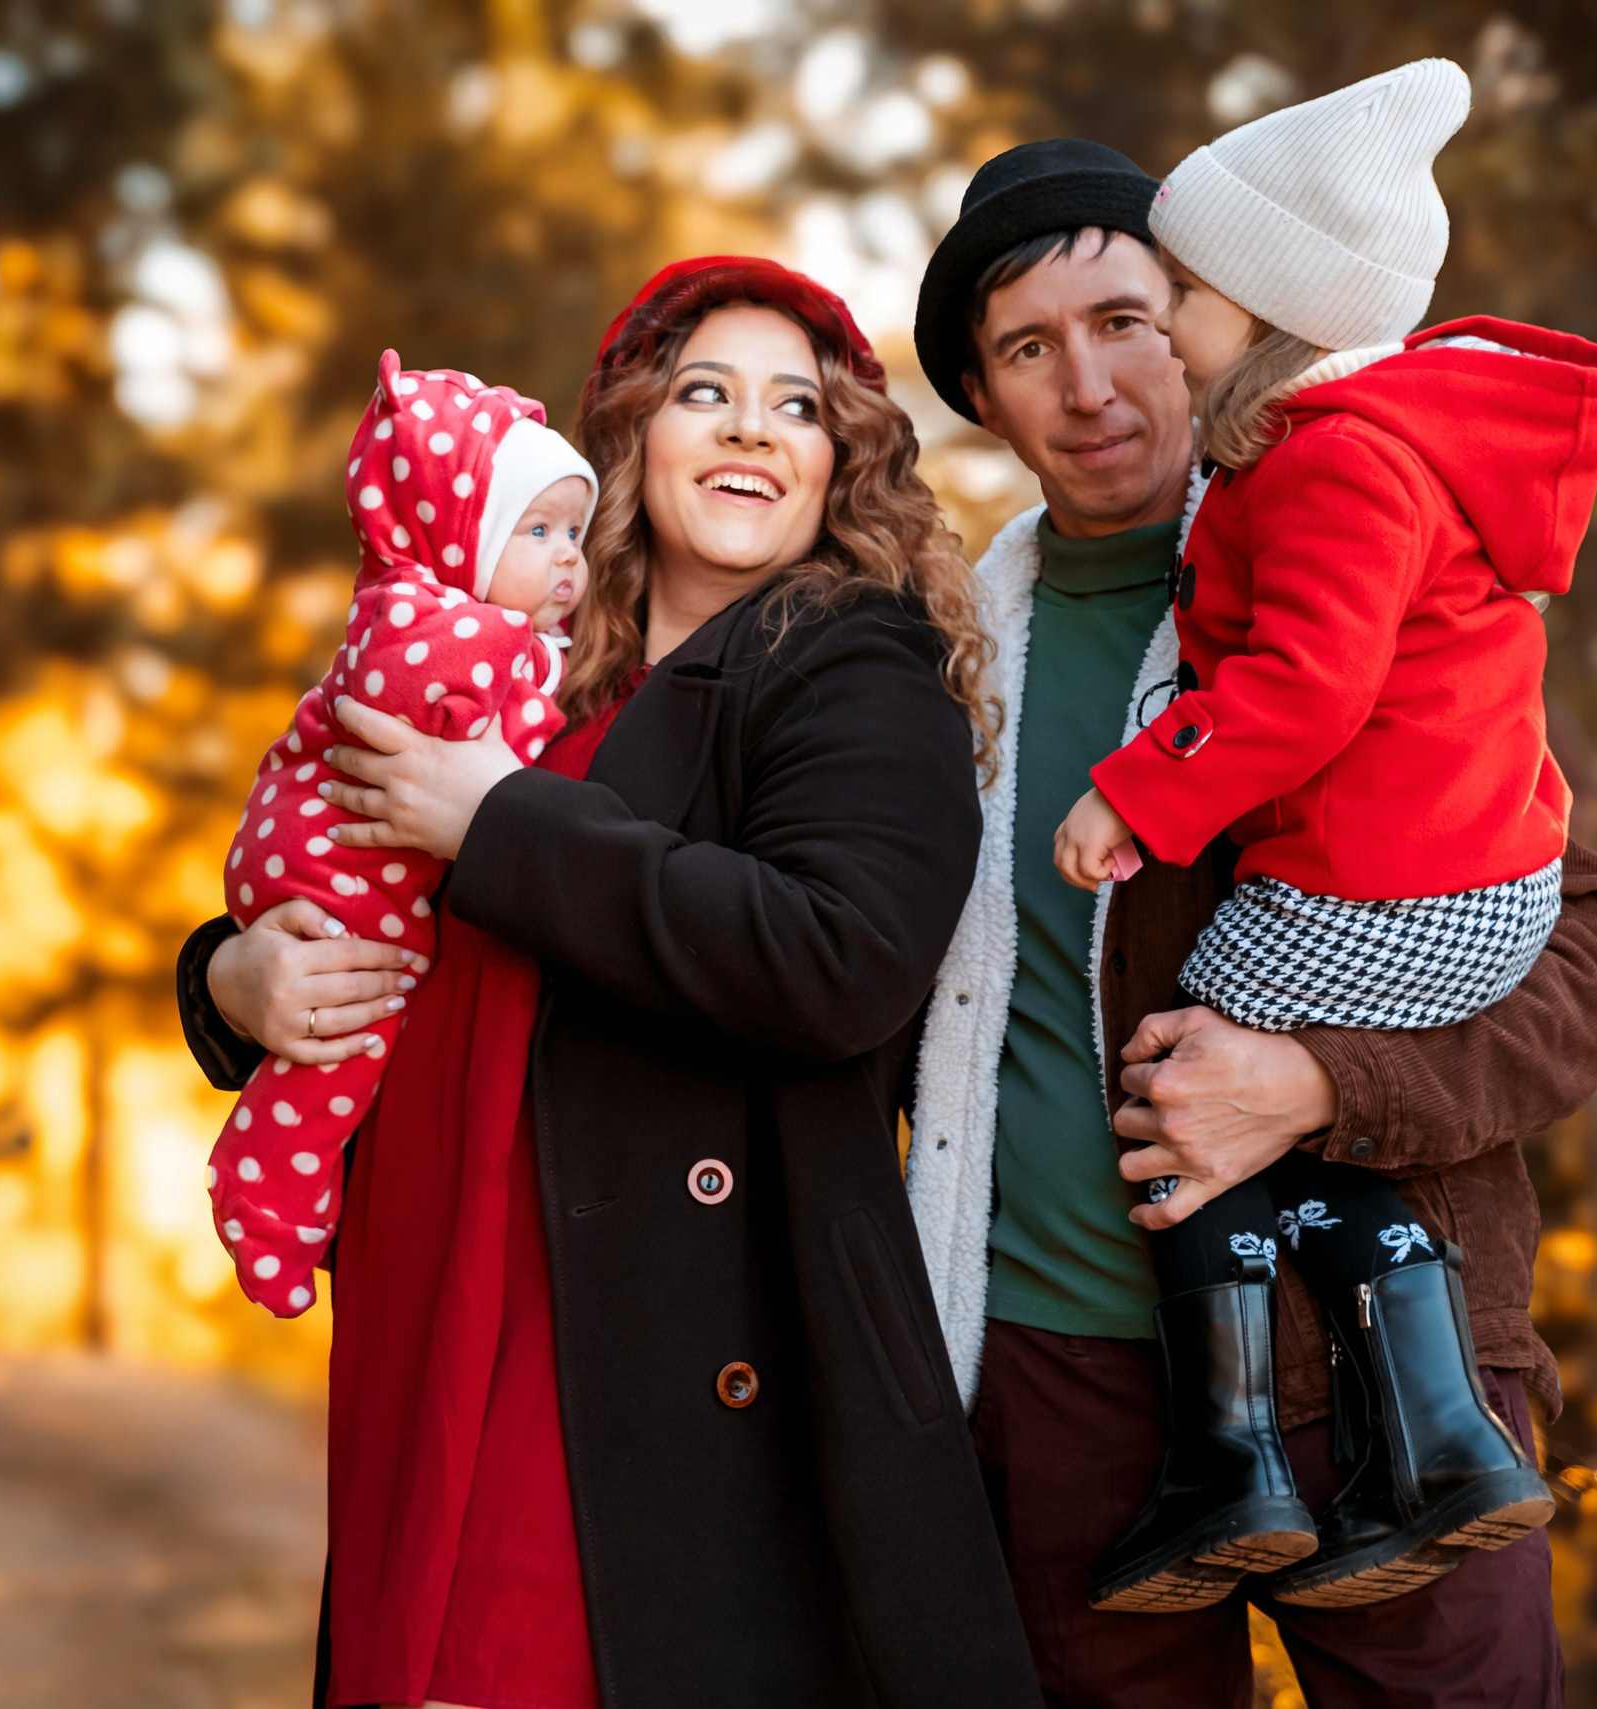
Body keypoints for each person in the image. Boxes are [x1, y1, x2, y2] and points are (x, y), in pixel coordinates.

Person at [175, 257, 1040, 1709]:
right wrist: (231, 978)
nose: (754, 430)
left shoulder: (851, 665)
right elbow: (327, 873)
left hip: (663, 1353)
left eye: (796, 407)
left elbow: (841, 959)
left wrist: (498, 824)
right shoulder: (519, 667)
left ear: (843, 463)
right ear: (631, 437)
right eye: (708, 394)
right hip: (448, 1301)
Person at [905, 136, 1597, 1703]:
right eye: (1028, 347)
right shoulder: (940, 655)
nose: (1091, 382)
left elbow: (1573, 959)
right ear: (982, 392)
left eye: (1124, 320)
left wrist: (1320, 1086)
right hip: (1056, 1374)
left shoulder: (1361, 552)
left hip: (1377, 1358)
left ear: (1207, 321)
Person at [207, 347, 595, 1318]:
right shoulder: (425, 629)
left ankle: (279, 1198)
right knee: (347, 1035)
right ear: (457, 536)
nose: (568, 559)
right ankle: (266, 1202)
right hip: (333, 867)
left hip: (337, 856)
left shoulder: (447, 618)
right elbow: (484, 724)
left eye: (576, 532)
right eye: (537, 529)